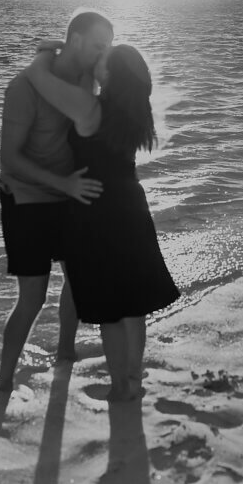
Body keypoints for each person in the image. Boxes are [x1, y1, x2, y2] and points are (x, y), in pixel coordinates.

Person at [23, 40, 179, 400]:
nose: (98, 62)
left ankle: (120, 387)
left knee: (110, 309)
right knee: (134, 306)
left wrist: (45, 56)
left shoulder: (91, 109)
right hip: (132, 209)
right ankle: (134, 381)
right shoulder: (136, 110)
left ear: (112, 73)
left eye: (104, 60)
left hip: (97, 213)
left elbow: (39, 80)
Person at [0, 8, 114, 393]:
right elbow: (10, 159)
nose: (103, 55)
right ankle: (3, 382)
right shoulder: (22, 88)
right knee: (32, 297)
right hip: (27, 197)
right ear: (76, 40)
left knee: (77, 279)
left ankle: (66, 354)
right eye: (98, 46)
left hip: (69, 192)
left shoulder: (84, 79)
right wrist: (62, 184)